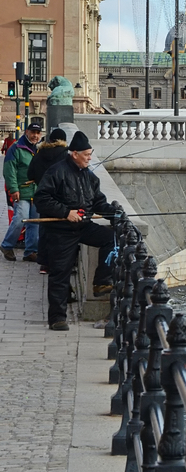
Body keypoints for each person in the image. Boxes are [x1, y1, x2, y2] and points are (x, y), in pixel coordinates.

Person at [32, 131, 115, 331]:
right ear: (74, 153)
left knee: (111, 238)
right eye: (86, 154)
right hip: (60, 230)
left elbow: (98, 202)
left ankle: (101, 281)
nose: (89, 158)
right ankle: (57, 318)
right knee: (60, 273)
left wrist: (114, 214)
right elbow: (41, 198)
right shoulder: (57, 171)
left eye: (90, 154)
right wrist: (66, 212)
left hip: (83, 226)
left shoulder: (89, 176)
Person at [27, 128, 70, 275]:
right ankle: (58, 263)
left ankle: (44, 264)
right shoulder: (65, 155)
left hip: (43, 196)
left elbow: (30, 173)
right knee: (60, 231)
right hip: (60, 198)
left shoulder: (40, 153)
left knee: (44, 229)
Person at [2, 123, 43, 262]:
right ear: (27, 132)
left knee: (35, 222)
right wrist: (13, 189)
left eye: (38, 133)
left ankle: (31, 251)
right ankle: (7, 245)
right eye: (33, 132)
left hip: (36, 191)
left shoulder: (39, 150)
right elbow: (9, 170)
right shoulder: (16, 148)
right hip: (22, 189)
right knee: (21, 217)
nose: (35, 136)